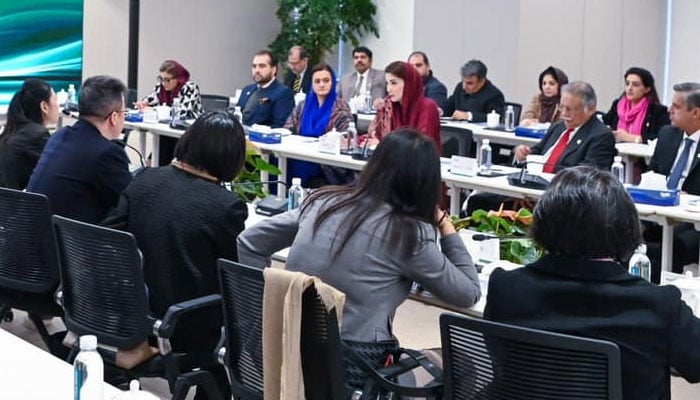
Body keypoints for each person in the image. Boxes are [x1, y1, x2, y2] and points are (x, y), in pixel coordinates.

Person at [237, 128, 481, 343]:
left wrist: (261, 315)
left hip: (288, 348)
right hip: (354, 365)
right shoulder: (408, 234)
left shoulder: (324, 202)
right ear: (426, 183)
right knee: (456, 369)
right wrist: (446, 227)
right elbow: (468, 293)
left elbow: (249, 242)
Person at [484, 166, 700, 400]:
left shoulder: (505, 288)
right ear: (625, 228)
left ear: (543, 222)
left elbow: (499, 359)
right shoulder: (657, 306)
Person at [102, 111, 248, 400]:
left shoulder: (144, 179)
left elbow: (106, 241)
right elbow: (233, 280)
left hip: (129, 316)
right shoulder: (226, 206)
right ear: (232, 158)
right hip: (184, 325)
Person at [27, 75, 132, 224]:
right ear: (114, 117)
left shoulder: (60, 135)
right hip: (66, 244)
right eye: (124, 114)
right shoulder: (106, 153)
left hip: (33, 236)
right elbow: (134, 201)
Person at [646, 82, 700, 278]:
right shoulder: (667, 134)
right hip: (659, 213)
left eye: (676, 107)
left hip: (692, 223)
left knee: (672, 246)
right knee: (622, 231)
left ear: (695, 113)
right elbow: (652, 174)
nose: (669, 111)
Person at [514, 81, 616, 173]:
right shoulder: (558, 126)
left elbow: (588, 174)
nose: (563, 114)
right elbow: (537, 151)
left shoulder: (601, 136)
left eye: (570, 109)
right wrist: (523, 152)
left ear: (590, 109)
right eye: (561, 107)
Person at [284, 63, 353, 187]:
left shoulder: (341, 107)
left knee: (299, 166)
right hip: (300, 154)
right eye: (317, 81)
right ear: (312, 84)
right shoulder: (302, 105)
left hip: (326, 163)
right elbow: (288, 128)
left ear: (333, 82)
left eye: (326, 80)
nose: (321, 84)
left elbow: (347, 138)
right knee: (277, 162)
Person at [135, 60, 204, 166]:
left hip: (188, 132)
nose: (164, 83)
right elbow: (151, 98)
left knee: (162, 149)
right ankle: (155, 168)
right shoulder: (161, 87)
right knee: (158, 146)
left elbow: (182, 113)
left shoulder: (190, 87)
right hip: (168, 130)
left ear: (178, 78)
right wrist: (143, 103)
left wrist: (153, 110)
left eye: (167, 80)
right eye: (161, 79)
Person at [368, 61, 441, 151]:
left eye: (394, 83)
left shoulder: (428, 107)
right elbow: (373, 135)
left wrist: (383, 144)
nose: (388, 89)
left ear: (409, 83)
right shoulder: (390, 107)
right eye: (387, 83)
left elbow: (421, 147)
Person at [0, 78, 59, 189]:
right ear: (44, 107)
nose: (58, 106)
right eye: (55, 100)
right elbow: (56, 171)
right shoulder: (36, 135)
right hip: (15, 204)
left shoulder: (12, 130)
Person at [603, 67, 670, 144]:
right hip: (616, 152)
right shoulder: (617, 105)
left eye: (635, 85)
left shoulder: (658, 111)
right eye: (627, 84)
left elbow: (662, 137)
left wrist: (632, 138)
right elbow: (604, 125)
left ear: (647, 89)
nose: (629, 88)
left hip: (643, 155)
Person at [237, 49, 295, 128]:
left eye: (262, 66)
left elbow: (279, 125)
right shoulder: (247, 89)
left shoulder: (283, 93)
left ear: (273, 69)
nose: (257, 70)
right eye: (254, 66)